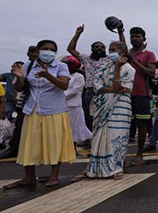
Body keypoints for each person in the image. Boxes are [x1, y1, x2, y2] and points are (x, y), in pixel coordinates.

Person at [5, 40, 75, 189]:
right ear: (38, 50)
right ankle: (28, 177)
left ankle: (54, 175)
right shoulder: (29, 66)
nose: (48, 52)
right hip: (32, 110)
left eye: (52, 50)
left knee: (54, 142)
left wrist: (46, 74)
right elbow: (21, 87)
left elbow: (64, 85)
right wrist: (19, 77)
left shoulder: (61, 66)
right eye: (45, 49)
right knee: (30, 143)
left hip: (54, 110)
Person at [72, 41, 135, 180]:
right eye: (110, 49)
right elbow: (96, 85)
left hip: (120, 106)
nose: (110, 52)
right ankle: (93, 169)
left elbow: (123, 88)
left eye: (113, 50)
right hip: (102, 105)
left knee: (116, 136)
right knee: (98, 137)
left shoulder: (129, 69)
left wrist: (117, 69)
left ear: (122, 53)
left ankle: (116, 168)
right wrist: (113, 90)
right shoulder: (104, 66)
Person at [67, 24, 126, 131]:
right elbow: (70, 49)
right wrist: (77, 34)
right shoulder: (86, 58)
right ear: (92, 49)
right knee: (89, 118)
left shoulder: (109, 59)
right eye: (97, 47)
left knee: (104, 117)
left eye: (102, 47)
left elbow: (122, 47)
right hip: (90, 93)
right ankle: (90, 139)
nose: (100, 48)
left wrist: (120, 32)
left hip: (105, 92)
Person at [0, 46, 38, 159]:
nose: (34, 54)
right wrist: (19, 77)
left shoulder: (46, 67)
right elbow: (19, 87)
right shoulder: (26, 68)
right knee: (19, 126)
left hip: (41, 104)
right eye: (31, 51)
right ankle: (14, 149)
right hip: (24, 103)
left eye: (36, 51)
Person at [126, 27, 156, 166]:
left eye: (138, 36)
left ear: (144, 38)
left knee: (141, 125)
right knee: (124, 125)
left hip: (141, 94)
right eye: (132, 36)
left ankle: (139, 154)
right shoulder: (126, 53)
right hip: (125, 93)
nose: (134, 39)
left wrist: (134, 61)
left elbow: (150, 73)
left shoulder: (149, 54)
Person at [62, 56, 92, 147]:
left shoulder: (79, 77)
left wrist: (60, 97)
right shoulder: (62, 76)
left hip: (74, 106)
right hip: (62, 106)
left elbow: (74, 91)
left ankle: (73, 148)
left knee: (74, 128)